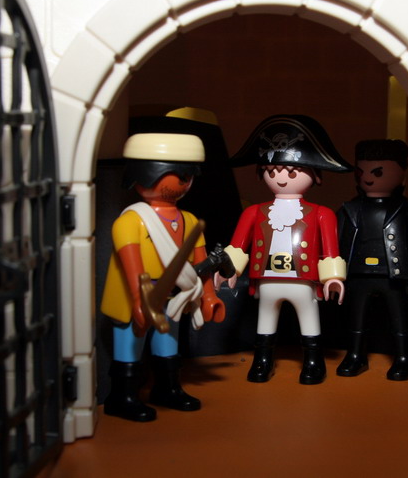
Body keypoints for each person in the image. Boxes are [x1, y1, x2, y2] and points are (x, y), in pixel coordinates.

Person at [101, 132, 225, 421]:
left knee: (167, 345)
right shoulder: (131, 221)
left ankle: (167, 388)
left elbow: (202, 262)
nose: (182, 182)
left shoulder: (189, 221)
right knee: (130, 347)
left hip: (173, 297)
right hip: (138, 296)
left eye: (187, 176)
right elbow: (131, 264)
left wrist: (209, 295)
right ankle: (122, 397)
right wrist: (139, 298)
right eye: (175, 175)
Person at [219, 114, 351, 385]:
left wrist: (333, 277)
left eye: (291, 172)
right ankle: (262, 361)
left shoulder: (322, 214)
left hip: (303, 280)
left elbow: (331, 250)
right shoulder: (254, 212)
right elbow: (237, 245)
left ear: (315, 174)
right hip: (267, 279)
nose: (279, 178)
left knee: (309, 319)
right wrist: (228, 268)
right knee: (265, 321)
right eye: (271, 171)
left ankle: (313, 362)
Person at [336, 139, 408, 381]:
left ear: (401, 172)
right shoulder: (349, 209)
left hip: (394, 275)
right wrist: (333, 275)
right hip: (357, 274)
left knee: (400, 318)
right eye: (361, 171)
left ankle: (405, 358)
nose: (368, 178)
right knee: (356, 318)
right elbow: (335, 244)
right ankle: (355, 355)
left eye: (377, 172)